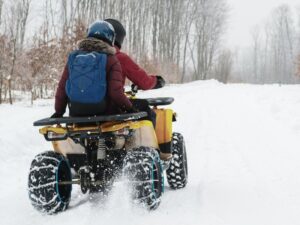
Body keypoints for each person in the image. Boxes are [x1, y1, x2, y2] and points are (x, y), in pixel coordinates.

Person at [104, 18, 171, 161]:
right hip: (113, 106)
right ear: (119, 38)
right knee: (146, 110)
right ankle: (150, 152)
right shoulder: (119, 57)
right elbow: (144, 82)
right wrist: (157, 81)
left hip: (85, 110)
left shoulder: (81, 56)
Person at [52, 20, 134, 118]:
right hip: (104, 114)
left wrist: (59, 112)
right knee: (143, 107)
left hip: (76, 114)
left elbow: (62, 89)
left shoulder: (73, 58)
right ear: (111, 38)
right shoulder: (111, 59)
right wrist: (130, 108)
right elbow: (115, 91)